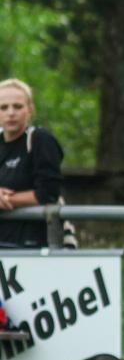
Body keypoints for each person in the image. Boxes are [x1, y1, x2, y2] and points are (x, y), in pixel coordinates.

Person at [0, 79, 64, 248]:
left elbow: (48, 193)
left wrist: (7, 199)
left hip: (33, 244)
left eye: (18, 106)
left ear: (30, 110)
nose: (11, 113)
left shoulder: (40, 140)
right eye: (3, 107)